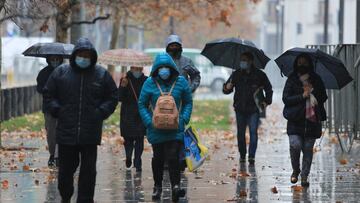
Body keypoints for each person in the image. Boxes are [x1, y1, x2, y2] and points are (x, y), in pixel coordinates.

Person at [44, 37, 118, 202]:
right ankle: (65, 196)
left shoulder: (101, 74)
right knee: (65, 171)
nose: (84, 58)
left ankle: (85, 199)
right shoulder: (61, 73)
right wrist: (57, 109)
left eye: (87, 55)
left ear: (92, 57)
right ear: (75, 55)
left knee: (88, 171)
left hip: (90, 134)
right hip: (65, 133)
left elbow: (113, 96)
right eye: (81, 54)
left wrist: (101, 112)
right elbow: (48, 94)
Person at [138, 53, 193, 202]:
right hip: (156, 129)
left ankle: (176, 186)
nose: (163, 70)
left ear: (171, 68)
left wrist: (184, 118)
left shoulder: (180, 82)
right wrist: (149, 122)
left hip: (175, 128)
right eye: (160, 67)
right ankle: (158, 187)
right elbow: (142, 104)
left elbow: (188, 101)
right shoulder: (149, 83)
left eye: (166, 67)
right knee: (158, 158)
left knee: (173, 156)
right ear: (156, 69)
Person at [282, 53, 327, 187]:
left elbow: (323, 96)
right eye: (299, 62)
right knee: (295, 145)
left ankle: (304, 177)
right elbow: (286, 99)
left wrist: (313, 95)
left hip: (312, 121)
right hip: (295, 120)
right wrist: (302, 96)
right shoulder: (292, 79)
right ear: (296, 64)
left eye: (304, 62)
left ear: (309, 64)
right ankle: (296, 170)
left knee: (308, 148)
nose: (302, 65)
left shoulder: (316, 79)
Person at [223, 52, 273, 165]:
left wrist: (267, 101)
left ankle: (251, 156)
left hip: (254, 109)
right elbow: (226, 89)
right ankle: (242, 155)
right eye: (241, 60)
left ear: (250, 61)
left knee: (253, 132)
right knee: (240, 133)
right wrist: (227, 87)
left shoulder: (260, 75)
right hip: (240, 108)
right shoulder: (236, 74)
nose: (242, 62)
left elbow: (269, 88)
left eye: (244, 60)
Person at [119, 66, 148, 172]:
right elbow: (120, 98)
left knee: (140, 138)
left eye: (139, 69)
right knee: (128, 139)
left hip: (141, 113)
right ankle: (128, 157)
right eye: (135, 69)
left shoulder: (146, 80)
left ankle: (137, 160)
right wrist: (122, 86)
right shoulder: (125, 80)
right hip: (128, 114)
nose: (137, 71)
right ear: (131, 68)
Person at [36, 55, 64, 167]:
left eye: (57, 59)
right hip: (49, 108)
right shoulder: (43, 73)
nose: (55, 61)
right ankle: (53, 154)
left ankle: (60, 155)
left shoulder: (66, 71)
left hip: (63, 107)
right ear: (48, 59)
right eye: (53, 59)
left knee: (62, 132)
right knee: (51, 133)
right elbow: (39, 88)